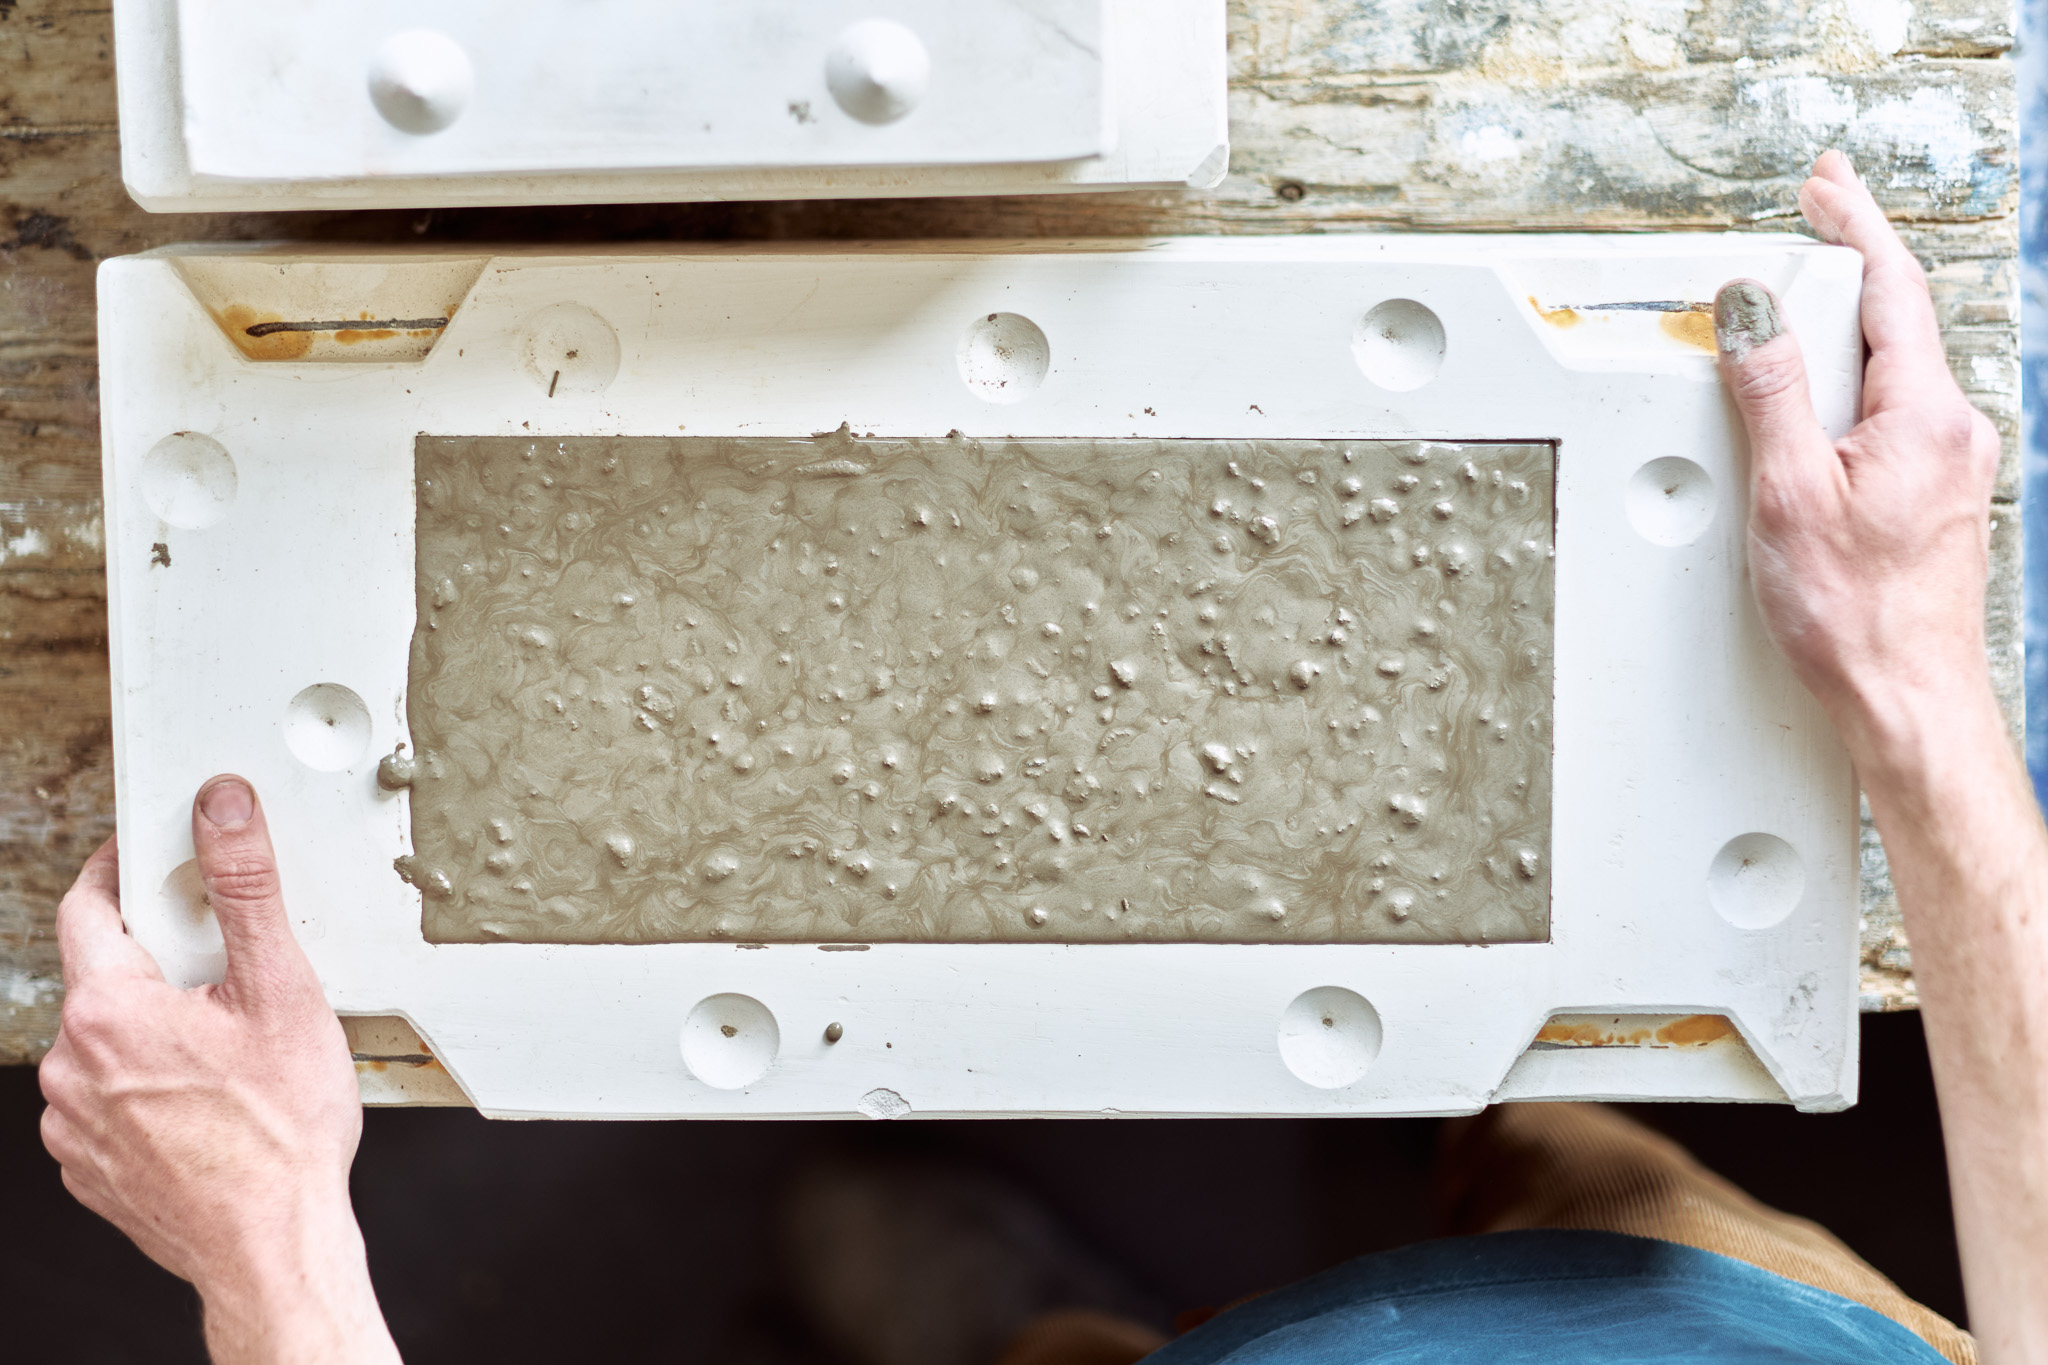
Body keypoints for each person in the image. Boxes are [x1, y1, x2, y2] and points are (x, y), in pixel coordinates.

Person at [34, 150, 2047, 1364]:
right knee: (1562, 1162)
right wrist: (1920, 701)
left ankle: (1019, 1324)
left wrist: (273, 1238)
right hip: (1704, 1337)